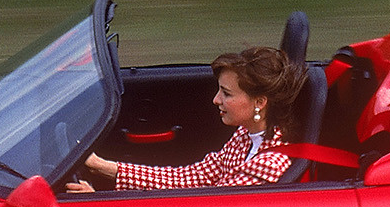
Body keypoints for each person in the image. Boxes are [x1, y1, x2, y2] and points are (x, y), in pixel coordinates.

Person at [67, 46, 307, 192]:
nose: (216, 100)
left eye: (227, 93)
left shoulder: (267, 164)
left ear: (260, 102)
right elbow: (188, 178)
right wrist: (99, 166)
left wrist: (99, 201)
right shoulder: (246, 135)